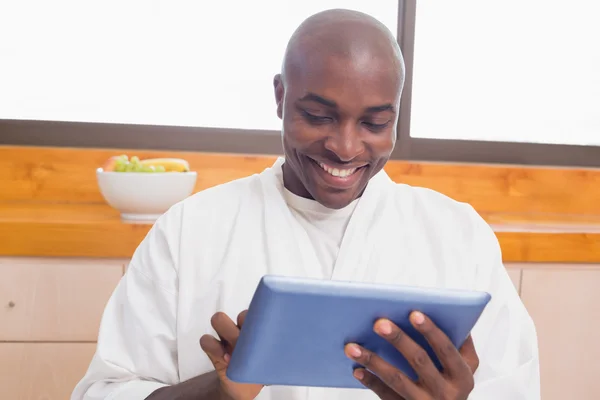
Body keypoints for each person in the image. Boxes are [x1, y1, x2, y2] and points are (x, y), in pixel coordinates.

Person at [71, 8, 540, 400]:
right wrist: (220, 392)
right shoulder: (191, 231)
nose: (346, 147)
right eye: (318, 116)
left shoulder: (457, 236)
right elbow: (106, 391)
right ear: (280, 97)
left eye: (375, 123)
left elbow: (516, 386)